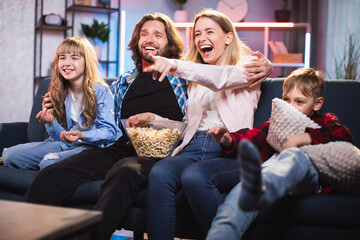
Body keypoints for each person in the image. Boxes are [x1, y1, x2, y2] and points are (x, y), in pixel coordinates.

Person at [23, 13, 187, 240]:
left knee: (125, 171)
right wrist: (57, 101)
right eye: (144, 34)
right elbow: (96, 110)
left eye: (157, 35)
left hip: (163, 155)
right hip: (121, 147)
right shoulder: (123, 82)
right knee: (53, 174)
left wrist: (152, 118)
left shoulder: (184, 77)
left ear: (169, 43)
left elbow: (197, 116)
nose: (149, 39)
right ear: (137, 41)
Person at [144, 9, 273, 240]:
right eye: (197, 34)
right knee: (160, 171)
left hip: (230, 150)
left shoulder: (249, 66)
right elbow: (189, 122)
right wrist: (153, 121)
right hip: (193, 148)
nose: (202, 38)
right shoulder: (197, 79)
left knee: (195, 176)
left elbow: (220, 78)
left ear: (228, 37)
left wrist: (175, 65)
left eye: (210, 32)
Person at [206, 67, 353, 240]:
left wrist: (300, 139)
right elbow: (250, 137)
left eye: (299, 102)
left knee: (293, 156)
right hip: (263, 176)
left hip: (304, 171)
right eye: (286, 100)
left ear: (317, 103)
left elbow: (342, 135)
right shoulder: (274, 124)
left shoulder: (324, 120)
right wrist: (227, 140)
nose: (290, 107)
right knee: (235, 202)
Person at [2, 37, 121, 170]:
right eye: (62, 57)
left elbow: (110, 132)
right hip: (66, 145)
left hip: (91, 147)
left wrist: (82, 135)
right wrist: (51, 121)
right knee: (9, 156)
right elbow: (59, 138)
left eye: (74, 58)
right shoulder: (59, 90)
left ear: (86, 62)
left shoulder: (100, 90)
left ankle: (53, 164)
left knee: (48, 163)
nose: (66, 63)